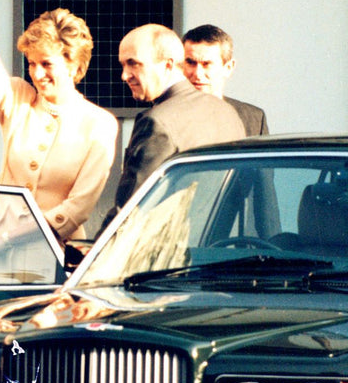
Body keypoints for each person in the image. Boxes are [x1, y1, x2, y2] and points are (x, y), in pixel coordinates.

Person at [0, 0, 118, 272]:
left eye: (46, 63)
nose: (36, 72)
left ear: (74, 63)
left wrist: (7, 237)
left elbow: (78, 207)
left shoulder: (99, 124)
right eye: (31, 63)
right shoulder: (18, 98)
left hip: (53, 259)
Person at [101, 24, 245, 229]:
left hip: (168, 254)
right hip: (214, 252)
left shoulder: (157, 122)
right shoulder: (227, 113)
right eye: (123, 65)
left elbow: (131, 210)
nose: (125, 75)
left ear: (168, 65)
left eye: (134, 64)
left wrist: (93, 252)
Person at [182, 24, 269, 135]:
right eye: (190, 63)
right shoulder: (163, 118)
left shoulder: (253, 119)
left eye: (206, 64)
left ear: (228, 67)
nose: (197, 73)